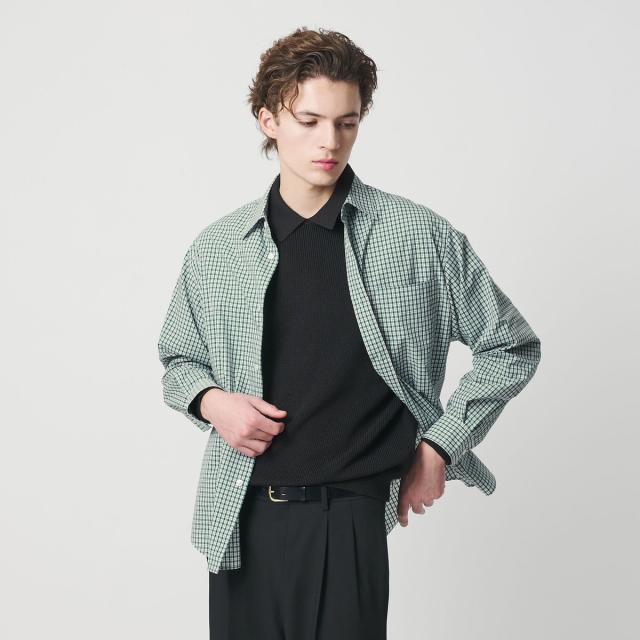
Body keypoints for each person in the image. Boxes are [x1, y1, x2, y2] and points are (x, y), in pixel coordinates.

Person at [157, 26, 542, 640]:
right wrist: (211, 402)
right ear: (268, 120)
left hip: (349, 519)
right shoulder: (219, 248)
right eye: (309, 121)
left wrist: (440, 447)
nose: (329, 142)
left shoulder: (417, 237)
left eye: (347, 123)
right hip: (239, 518)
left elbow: (511, 346)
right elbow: (179, 360)